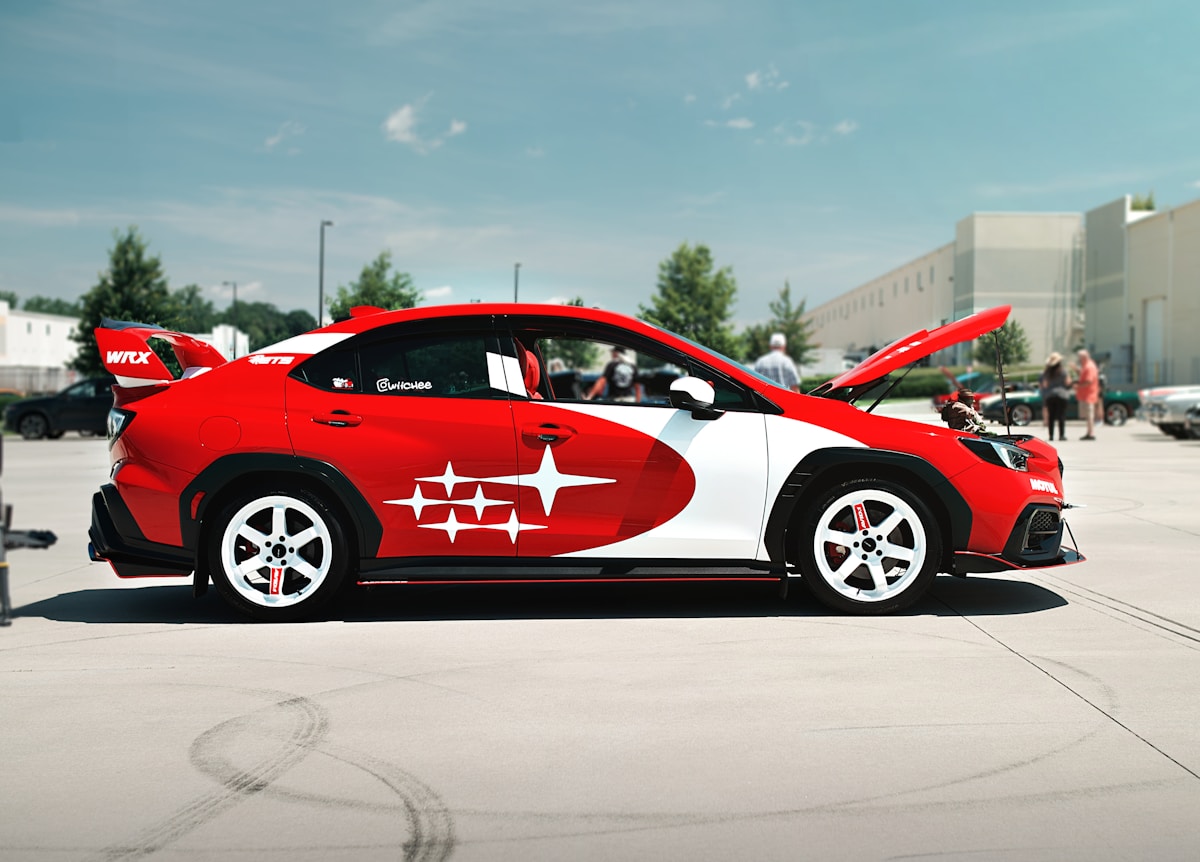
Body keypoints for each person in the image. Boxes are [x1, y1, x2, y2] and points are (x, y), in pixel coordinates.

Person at [1039, 352, 1071, 442]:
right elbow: (1068, 382)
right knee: (1061, 416)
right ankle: (1061, 435)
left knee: (1051, 416)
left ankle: (1051, 435)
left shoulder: (1047, 372)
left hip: (1050, 395)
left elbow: (1045, 384)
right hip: (1062, 395)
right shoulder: (1063, 371)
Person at [1075, 348, 1100, 440]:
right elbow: (1083, 376)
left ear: (1084, 357)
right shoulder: (1086, 366)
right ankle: (1089, 432)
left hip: (1089, 394)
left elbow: (1088, 381)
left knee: (1089, 415)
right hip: (1086, 394)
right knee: (1088, 415)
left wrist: (1078, 386)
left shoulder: (1089, 367)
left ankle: (1091, 433)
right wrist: (1076, 370)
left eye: (1080, 358)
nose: (1079, 359)